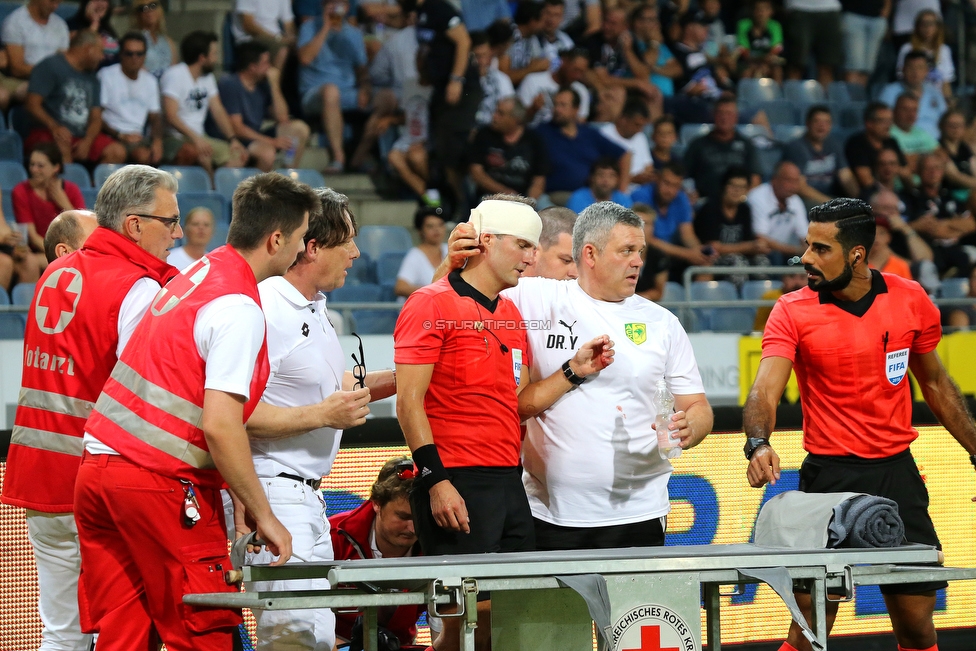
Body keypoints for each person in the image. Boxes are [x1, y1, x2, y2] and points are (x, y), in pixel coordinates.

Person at [75, 173, 319, 649]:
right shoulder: (238, 306)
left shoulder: (198, 274)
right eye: (300, 237)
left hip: (98, 472)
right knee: (205, 631)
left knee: (124, 636)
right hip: (157, 483)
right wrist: (265, 514)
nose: (302, 250)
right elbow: (220, 425)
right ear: (276, 240)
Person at [743, 196, 976, 651]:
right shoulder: (792, 309)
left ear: (857, 254)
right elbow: (763, 391)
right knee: (811, 625)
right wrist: (757, 443)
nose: (806, 258)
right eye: (807, 245)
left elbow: (936, 384)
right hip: (828, 479)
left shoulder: (911, 299)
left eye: (821, 249)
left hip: (897, 476)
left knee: (916, 624)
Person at [441, 201, 711, 551]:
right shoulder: (535, 298)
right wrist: (451, 263)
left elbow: (698, 405)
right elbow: (444, 301)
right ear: (590, 254)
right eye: (627, 250)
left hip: (641, 512)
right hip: (550, 514)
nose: (638, 261)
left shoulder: (663, 323)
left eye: (640, 251)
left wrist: (693, 428)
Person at [0, 165, 183, 651]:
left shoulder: (55, 272)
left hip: (38, 475)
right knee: (126, 633)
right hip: (99, 485)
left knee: (62, 634)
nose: (178, 233)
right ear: (134, 225)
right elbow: (145, 399)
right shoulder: (135, 288)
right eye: (170, 220)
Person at [239, 186, 395, 651]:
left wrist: (410, 375)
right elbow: (232, 414)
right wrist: (322, 414)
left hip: (306, 496)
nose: (357, 252)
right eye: (347, 240)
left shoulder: (316, 307)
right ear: (312, 247)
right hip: (271, 488)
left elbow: (334, 390)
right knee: (293, 636)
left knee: (317, 634)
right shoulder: (266, 307)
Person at [393, 197, 544, 651]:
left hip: (506, 480)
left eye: (534, 247)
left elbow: (515, 402)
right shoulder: (429, 303)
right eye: (522, 245)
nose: (531, 257)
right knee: (463, 624)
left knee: (507, 616)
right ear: (487, 241)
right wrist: (436, 480)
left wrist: (575, 372)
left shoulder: (513, 315)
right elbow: (408, 402)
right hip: (455, 477)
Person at [330, 457, 425, 647]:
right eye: (403, 516)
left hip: (402, 644)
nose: (413, 528)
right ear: (377, 504)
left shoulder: (436, 544)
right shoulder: (332, 536)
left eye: (419, 517)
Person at [25, 30, 127, 165]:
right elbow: (32, 104)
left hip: (81, 135)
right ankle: (66, 184)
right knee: (62, 149)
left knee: (117, 151)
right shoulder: (50, 66)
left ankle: (94, 185)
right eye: (100, 51)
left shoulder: (93, 78)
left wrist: (88, 141)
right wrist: (55, 127)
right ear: (88, 49)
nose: (102, 57)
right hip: (49, 132)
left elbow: (96, 117)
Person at [298, 0, 369, 173]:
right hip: (314, 93)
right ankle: (338, 157)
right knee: (331, 91)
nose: (334, 8)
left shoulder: (354, 34)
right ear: (322, 6)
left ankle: (366, 156)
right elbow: (305, 58)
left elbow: (362, 69)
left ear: (346, 8)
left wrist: (365, 88)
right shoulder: (309, 27)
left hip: (347, 91)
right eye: (330, 3)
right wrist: (326, 27)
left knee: (387, 98)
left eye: (339, 4)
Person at [162, 31, 249, 173]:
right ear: (202, 58)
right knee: (201, 155)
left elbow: (218, 111)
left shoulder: (207, 78)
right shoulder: (175, 75)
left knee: (239, 155)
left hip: (200, 136)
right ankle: (209, 191)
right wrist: (196, 138)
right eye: (214, 54)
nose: (216, 58)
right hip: (175, 137)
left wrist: (232, 139)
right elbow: (171, 116)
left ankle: (220, 190)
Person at [220, 41, 311, 172]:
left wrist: (274, 85)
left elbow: (283, 118)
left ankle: (289, 174)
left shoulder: (262, 85)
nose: (270, 67)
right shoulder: (230, 84)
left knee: (299, 129)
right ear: (252, 67)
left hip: (255, 135)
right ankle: (260, 190)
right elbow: (237, 128)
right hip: (237, 138)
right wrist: (271, 142)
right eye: (265, 63)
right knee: (267, 153)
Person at [537, 88, 629, 197]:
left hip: (590, 196)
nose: (557, 109)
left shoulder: (589, 133)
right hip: (557, 196)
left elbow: (624, 155)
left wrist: (621, 191)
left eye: (563, 105)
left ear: (576, 109)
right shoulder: (542, 132)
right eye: (555, 105)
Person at [13, 143, 87, 266]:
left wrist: (64, 204)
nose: (34, 169)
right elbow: (33, 237)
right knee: (29, 263)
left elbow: (82, 230)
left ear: (56, 167)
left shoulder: (71, 190)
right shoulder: (21, 191)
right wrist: (61, 256)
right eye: (32, 164)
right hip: (40, 252)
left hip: (70, 252)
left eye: (40, 166)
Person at [97, 31, 164, 164]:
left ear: (145, 56)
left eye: (139, 54)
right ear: (121, 54)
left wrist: (157, 141)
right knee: (116, 153)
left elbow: (155, 117)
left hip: (138, 138)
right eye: (129, 53)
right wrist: (119, 135)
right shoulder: (106, 75)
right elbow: (97, 114)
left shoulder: (150, 81)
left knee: (146, 156)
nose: (134, 58)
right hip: (111, 135)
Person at [633, 162, 714, 268]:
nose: (670, 190)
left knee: (705, 264)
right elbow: (646, 238)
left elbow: (688, 235)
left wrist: (700, 252)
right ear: (657, 179)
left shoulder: (681, 198)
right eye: (666, 183)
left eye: (676, 186)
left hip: (673, 254)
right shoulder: (640, 196)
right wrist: (686, 254)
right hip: (646, 253)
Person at [469, 97, 549, 201]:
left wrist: (529, 201)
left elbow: (539, 179)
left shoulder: (534, 140)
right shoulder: (484, 135)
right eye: (496, 111)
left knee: (546, 206)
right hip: (492, 195)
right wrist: (506, 193)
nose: (494, 116)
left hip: (525, 196)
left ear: (516, 119)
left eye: (500, 113)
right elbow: (477, 173)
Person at [694, 167, 771, 275]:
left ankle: (763, 292)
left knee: (762, 261)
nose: (736, 191)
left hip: (739, 255)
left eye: (742, 187)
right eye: (733, 186)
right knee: (737, 263)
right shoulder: (710, 208)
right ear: (724, 186)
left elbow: (747, 240)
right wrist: (749, 247)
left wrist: (757, 247)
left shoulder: (745, 209)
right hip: (712, 258)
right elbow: (713, 246)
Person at [683, 95, 761, 201]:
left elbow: (755, 178)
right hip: (705, 202)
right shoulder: (698, 144)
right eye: (720, 113)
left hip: (738, 202)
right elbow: (684, 175)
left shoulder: (746, 145)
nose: (724, 118)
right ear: (713, 115)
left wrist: (744, 198)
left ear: (736, 117)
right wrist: (690, 193)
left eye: (728, 113)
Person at [782, 105, 859, 205]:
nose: (822, 125)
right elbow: (800, 187)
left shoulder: (834, 145)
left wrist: (859, 199)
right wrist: (830, 203)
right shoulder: (796, 147)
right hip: (805, 200)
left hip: (829, 197)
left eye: (826, 122)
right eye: (816, 121)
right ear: (808, 123)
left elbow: (845, 176)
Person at [1, 0, 71, 104]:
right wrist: (50, 72)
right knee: (40, 93)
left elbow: (63, 62)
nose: (55, 6)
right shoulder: (15, 22)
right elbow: (17, 69)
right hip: (21, 80)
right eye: (51, 2)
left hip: (52, 80)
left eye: (58, 3)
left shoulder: (60, 25)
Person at [869, 188, 935, 286]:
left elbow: (924, 262)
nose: (891, 213)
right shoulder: (864, 230)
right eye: (886, 208)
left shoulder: (902, 231)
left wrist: (906, 229)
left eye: (895, 209)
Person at [747, 161, 809, 262]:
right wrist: (797, 250)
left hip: (787, 254)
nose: (793, 186)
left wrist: (808, 251)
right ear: (775, 179)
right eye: (789, 181)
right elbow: (761, 238)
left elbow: (805, 237)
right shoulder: (757, 197)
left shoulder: (795, 200)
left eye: (796, 181)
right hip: (761, 254)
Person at [845, 102, 913, 193]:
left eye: (890, 120)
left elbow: (906, 173)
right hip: (871, 197)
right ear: (869, 123)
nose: (888, 125)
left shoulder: (891, 142)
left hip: (894, 192)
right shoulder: (857, 144)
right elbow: (867, 182)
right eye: (883, 121)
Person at [879, 50, 946, 141]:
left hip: (934, 144)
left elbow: (945, 119)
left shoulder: (935, 92)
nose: (915, 73)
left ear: (926, 71)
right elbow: (883, 122)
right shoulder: (890, 91)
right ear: (903, 70)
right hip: (903, 142)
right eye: (911, 68)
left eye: (920, 68)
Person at [517, 47, 591, 128]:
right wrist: (533, 109)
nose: (578, 76)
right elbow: (517, 120)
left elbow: (580, 125)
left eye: (582, 72)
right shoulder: (533, 81)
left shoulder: (581, 91)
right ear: (564, 62)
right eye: (575, 70)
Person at [896, 9, 954, 101]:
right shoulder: (907, 48)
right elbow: (901, 75)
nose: (927, 28)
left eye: (931, 24)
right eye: (924, 24)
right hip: (912, 95)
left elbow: (946, 82)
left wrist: (949, 103)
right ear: (917, 26)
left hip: (936, 98)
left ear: (937, 27)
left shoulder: (944, 50)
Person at [599, 97, 655, 190]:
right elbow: (602, 174)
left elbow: (648, 166)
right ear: (623, 119)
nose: (640, 130)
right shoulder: (604, 135)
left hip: (641, 191)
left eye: (642, 126)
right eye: (637, 124)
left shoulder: (640, 137)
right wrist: (632, 179)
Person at [783, 0, 842, 86]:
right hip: (799, 8)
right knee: (796, 65)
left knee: (827, 66)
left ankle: (824, 99)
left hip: (830, 8)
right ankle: (792, 97)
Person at [395, 205, 448, 298]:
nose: (436, 229)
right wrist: (434, 291)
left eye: (440, 225)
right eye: (430, 226)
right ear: (420, 231)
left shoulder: (450, 249)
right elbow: (400, 287)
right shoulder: (415, 255)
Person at [231, 0, 296, 70]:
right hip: (250, 38)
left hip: (277, 37)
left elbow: (288, 23)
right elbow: (248, 25)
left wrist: (292, 40)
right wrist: (277, 38)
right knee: (282, 50)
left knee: (302, 48)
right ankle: (274, 79)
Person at [840, 0, 887, 87]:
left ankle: (859, 98)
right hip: (853, 15)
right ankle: (851, 99)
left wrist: (887, 9)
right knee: (853, 65)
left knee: (867, 68)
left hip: (877, 17)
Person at [525, 205, 578, 280]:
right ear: (533, 252)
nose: (576, 274)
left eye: (580, 265)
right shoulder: (506, 290)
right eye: (566, 261)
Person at [888, 94, 939, 171]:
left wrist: (914, 159)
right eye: (905, 109)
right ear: (894, 110)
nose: (911, 115)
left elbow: (942, 155)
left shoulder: (920, 132)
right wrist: (928, 159)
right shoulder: (888, 133)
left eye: (914, 110)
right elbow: (901, 162)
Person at [737, 0, 784, 82]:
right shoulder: (743, 25)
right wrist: (758, 61)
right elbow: (743, 51)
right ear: (752, 11)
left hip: (768, 63)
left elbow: (776, 48)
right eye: (758, 9)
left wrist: (765, 64)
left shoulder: (775, 26)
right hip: (748, 62)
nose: (761, 13)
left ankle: (777, 93)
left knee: (777, 71)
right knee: (747, 73)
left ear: (771, 12)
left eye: (765, 9)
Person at [130, 0, 177, 78]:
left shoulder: (168, 41)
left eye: (153, 5)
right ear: (137, 14)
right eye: (143, 8)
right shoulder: (134, 40)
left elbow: (174, 70)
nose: (148, 11)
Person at [567, 158, 634, 213]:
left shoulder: (623, 199)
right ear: (592, 178)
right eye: (601, 175)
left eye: (611, 176)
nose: (606, 180)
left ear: (618, 180)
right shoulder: (578, 197)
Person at [67, 0, 119, 67]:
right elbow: (81, 52)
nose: (101, 3)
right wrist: (94, 23)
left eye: (105, 0)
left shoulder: (107, 29)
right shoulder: (71, 25)